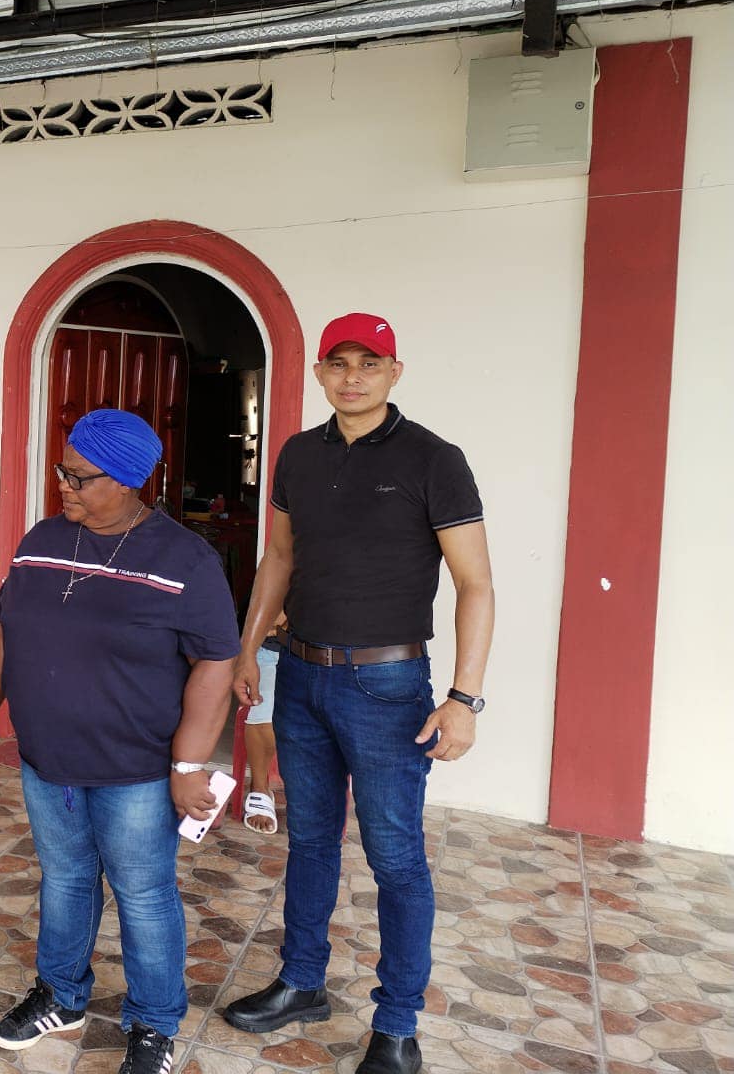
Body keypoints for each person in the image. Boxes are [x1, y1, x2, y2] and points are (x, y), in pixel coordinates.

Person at [221, 313, 494, 1074]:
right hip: (301, 675)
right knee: (309, 839)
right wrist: (249, 649)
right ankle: (301, 982)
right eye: (337, 364)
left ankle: (397, 1025)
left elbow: (475, 582)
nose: (352, 377)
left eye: (368, 363)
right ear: (318, 373)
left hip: (386, 685)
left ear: (394, 372)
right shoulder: (298, 455)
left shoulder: (433, 459)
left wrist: (464, 699)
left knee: (394, 856)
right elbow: (277, 558)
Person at [0, 409, 239, 1074]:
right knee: (64, 880)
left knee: (143, 895)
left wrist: (188, 764)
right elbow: (5, 626)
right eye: (63, 472)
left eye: (79, 477)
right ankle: (61, 995)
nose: (64, 485)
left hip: (135, 768)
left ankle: (153, 1024)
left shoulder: (185, 559)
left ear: (124, 481)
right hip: (47, 759)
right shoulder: (42, 539)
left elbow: (215, 663)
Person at [240, 614, 287, 834]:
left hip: (331, 655)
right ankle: (259, 786)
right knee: (263, 714)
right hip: (271, 649)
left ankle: (311, 793)